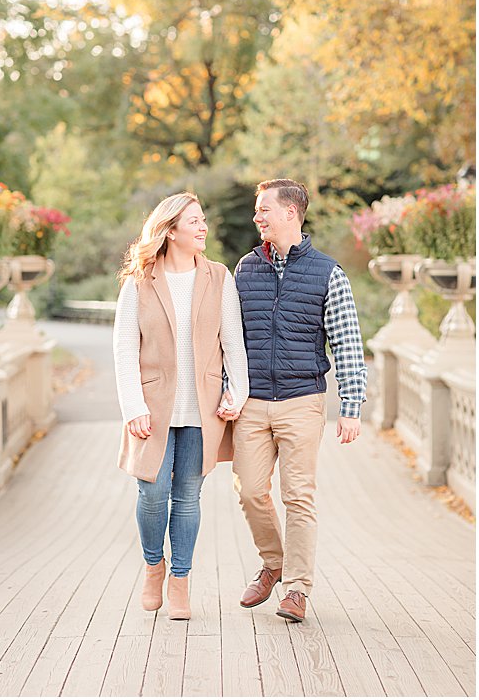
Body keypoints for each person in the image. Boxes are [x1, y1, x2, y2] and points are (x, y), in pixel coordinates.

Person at [232, 178, 366, 623]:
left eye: (264, 209)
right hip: (251, 402)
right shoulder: (245, 268)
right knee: (250, 491)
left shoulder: (329, 273)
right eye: (257, 209)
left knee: (298, 496)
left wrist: (351, 406)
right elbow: (229, 340)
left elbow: (347, 342)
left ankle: (296, 589)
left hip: (302, 400)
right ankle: (275, 564)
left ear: (290, 212)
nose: (257, 216)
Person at [113, 193, 247, 620]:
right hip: (152, 408)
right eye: (194, 221)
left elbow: (234, 343)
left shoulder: (220, 277)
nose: (203, 227)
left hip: (203, 410)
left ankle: (181, 582)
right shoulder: (140, 281)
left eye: (203, 220)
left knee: (188, 496)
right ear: (170, 230)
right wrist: (133, 405)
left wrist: (236, 393)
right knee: (153, 494)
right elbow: (123, 348)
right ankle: (154, 567)